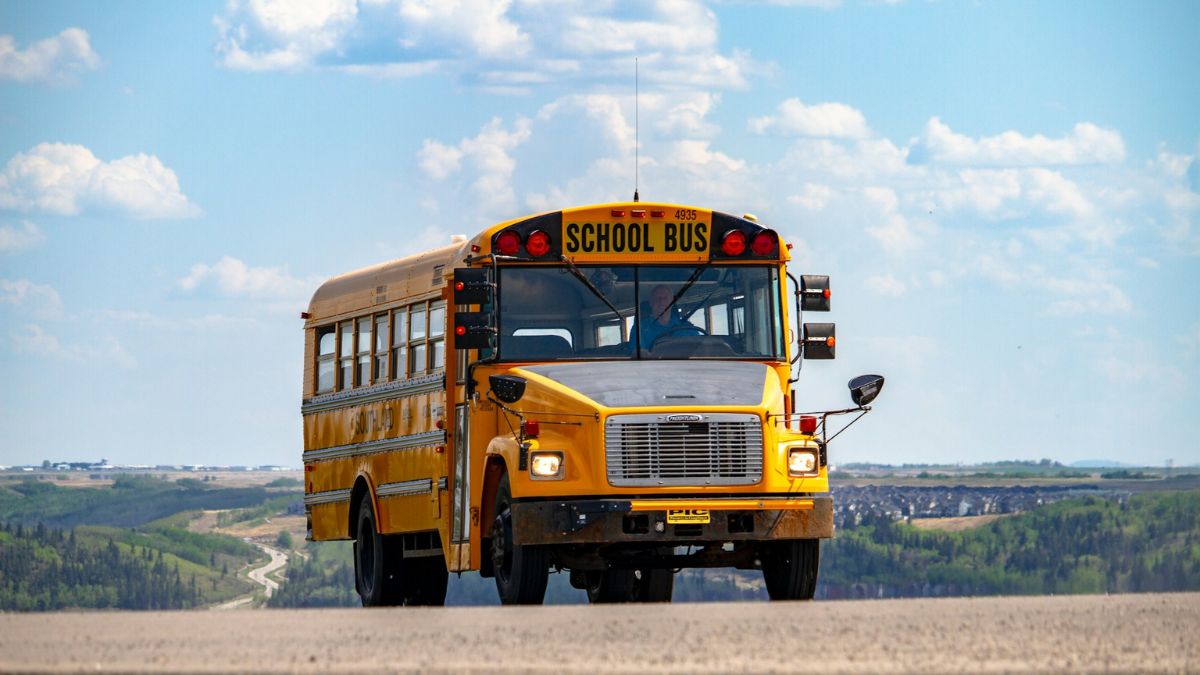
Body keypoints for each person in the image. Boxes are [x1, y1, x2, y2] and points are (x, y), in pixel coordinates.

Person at [631, 284, 702, 353]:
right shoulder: (640, 329)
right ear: (650, 302)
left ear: (672, 302)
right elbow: (637, 355)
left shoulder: (688, 328)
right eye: (658, 298)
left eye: (665, 298)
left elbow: (701, 350)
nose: (661, 301)